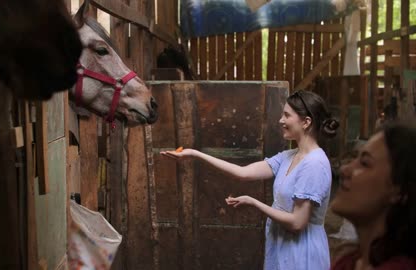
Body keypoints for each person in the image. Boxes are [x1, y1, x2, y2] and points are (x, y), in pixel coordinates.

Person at [161, 90, 339, 269]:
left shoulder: (314, 164)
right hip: (282, 245)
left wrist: (254, 203)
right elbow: (242, 173)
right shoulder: (289, 156)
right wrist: (194, 154)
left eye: (287, 115)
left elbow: (297, 223)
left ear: (306, 122)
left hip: (302, 251)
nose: (281, 120)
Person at [330, 122, 416, 270]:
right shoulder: (347, 263)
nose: (345, 169)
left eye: (364, 163)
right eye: (354, 159)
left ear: (398, 191)